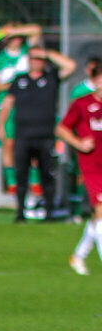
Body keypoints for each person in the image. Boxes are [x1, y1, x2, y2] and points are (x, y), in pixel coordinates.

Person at [0, 45, 77, 222]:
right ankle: (20, 213)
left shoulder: (51, 77)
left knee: (46, 174)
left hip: (45, 135)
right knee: (21, 174)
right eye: (33, 58)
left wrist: (48, 52)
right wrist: (1, 125)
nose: (36, 62)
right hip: (23, 135)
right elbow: (8, 103)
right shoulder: (20, 80)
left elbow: (70, 66)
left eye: (39, 59)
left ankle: (49, 212)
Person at [56, 62, 102, 274]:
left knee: (98, 215)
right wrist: (79, 143)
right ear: (95, 81)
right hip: (92, 164)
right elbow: (62, 128)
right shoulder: (82, 104)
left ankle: (79, 255)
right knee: (101, 211)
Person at [0, 23, 42, 193]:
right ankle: (13, 184)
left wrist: (13, 29)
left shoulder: (27, 54)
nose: (16, 39)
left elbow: (36, 30)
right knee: (8, 144)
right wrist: (15, 85)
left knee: (32, 145)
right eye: (12, 37)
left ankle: (34, 183)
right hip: (6, 108)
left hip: (26, 107)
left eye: (18, 36)